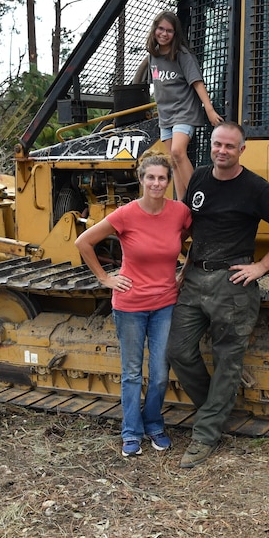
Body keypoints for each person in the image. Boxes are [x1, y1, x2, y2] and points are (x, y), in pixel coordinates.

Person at [168, 122, 269, 469]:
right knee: (179, 351)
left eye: (230, 146)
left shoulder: (254, 187)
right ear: (210, 146)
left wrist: (262, 266)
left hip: (233, 282)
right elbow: (193, 228)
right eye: (217, 145)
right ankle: (215, 409)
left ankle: (206, 434)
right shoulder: (198, 178)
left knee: (227, 358)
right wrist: (184, 268)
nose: (222, 151)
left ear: (242, 150)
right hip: (196, 276)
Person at [75, 154, 191, 458]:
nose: (156, 183)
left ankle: (154, 423)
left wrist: (185, 271)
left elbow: (199, 239)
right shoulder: (125, 214)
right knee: (130, 372)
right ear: (141, 180)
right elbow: (83, 242)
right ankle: (130, 432)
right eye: (150, 177)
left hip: (165, 303)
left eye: (162, 178)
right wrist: (105, 278)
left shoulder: (179, 212)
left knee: (160, 372)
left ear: (168, 181)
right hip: (130, 305)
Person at [137, 10, 223, 199]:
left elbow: (197, 82)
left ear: (175, 34)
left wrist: (208, 109)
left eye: (169, 30)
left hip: (184, 112)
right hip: (165, 116)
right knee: (172, 161)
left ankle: (199, 198)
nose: (164, 34)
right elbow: (160, 85)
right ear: (154, 30)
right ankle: (183, 203)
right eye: (161, 29)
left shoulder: (182, 54)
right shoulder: (153, 56)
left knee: (178, 151)